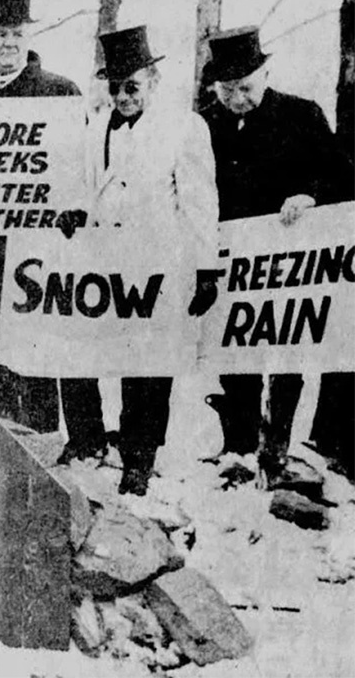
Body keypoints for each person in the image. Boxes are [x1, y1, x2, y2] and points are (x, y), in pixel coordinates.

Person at [63, 26, 219, 496]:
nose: (123, 97)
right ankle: (87, 439)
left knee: (147, 363)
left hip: (158, 263)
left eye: (132, 87)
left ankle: (139, 454)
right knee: (78, 349)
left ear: (153, 81)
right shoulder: (96, 127)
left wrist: (205, 269)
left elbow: (199, 203)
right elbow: (88, 187)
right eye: (115, 87)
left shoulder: (184, 128)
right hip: (104, 261)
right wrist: (76, 212)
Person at [198, 26, 354, 481]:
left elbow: (342, 177)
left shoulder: (301, 114)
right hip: (232, 264)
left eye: (246, 87)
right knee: (234, 353)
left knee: (286, 355)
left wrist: (310, 195)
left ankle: (277, 447)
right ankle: (240, 448)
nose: (238, 98)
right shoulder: (202, 125)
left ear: (265, 75)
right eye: (227, 90)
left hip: (290, 267)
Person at [0, 0, 91, 435]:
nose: (8, 42)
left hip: (39, 246)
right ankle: (3, 433)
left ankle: (43, 435)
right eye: (0, 34)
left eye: (16, 33)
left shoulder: (59, 92)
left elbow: (80, 166)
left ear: (28, 35)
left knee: (40, 346)